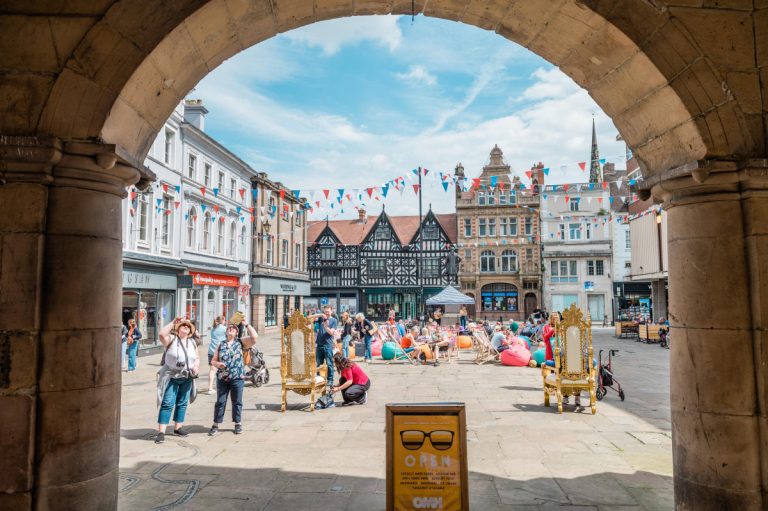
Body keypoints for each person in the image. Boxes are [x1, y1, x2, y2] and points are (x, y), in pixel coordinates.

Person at [208, 316, 258, 436]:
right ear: (226, 332)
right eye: (229, 328)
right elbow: (213, 361)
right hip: (222, 378)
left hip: (237, 378)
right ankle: (215, 424)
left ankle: (238, 423)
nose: (230, 329)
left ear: (236, 333)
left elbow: (254, 338)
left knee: (237, 401)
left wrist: (246, 324)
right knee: (220, 401)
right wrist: (217, 364)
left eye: (233, 328)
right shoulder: (221, 345)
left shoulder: (240, 342)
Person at [155, 317, 200, 444]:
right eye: (183, 325)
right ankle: (161, 432)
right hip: (172, 376)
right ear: (178, 328)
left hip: (187, 377)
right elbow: (161, 334)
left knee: (182, 402)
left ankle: (178, 428)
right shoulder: (171, 340)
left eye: (188, 326)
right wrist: (173, 322)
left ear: (190, 330)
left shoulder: (192, 342)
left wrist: (196, 366)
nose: (186, 326)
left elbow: (197, 357)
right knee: (167, 403)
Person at [312, 306, 337, 392]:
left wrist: (326, 326)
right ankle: (319, 380)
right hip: (319, 344)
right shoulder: (321, 319)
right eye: (325, 311)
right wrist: (320, 314)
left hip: (328, 345)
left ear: (331, 311)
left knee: (329, 363)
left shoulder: (334, 320)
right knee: (319, 364)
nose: (327, 313)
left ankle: (330, 380)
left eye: (328, 311)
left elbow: (331, 332)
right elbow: (310, 318)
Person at [207, 315, 227, 394]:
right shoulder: (224, 329)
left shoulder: (213, 329)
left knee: (212, 370)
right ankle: (223, 386)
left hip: (211, 350)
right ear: (222, 320)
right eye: (224, 320)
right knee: (224, 368)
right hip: (220, 351)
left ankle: (210, 388)